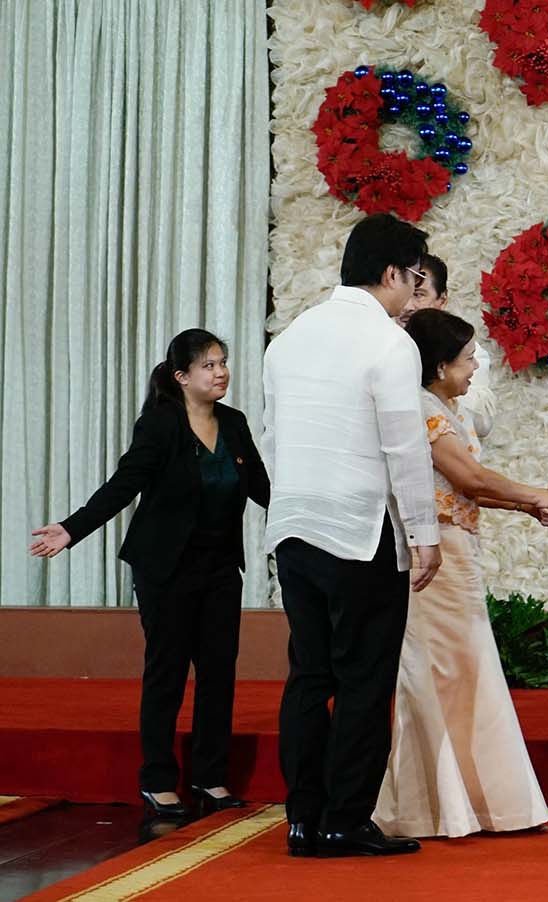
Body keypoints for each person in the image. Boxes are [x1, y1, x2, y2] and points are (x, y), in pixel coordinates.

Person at [30, 329, 268, 820]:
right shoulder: (161, 425)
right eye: (208, 365)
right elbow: (125, 484)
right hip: (167, 567)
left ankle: (210, 775)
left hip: (221, 566)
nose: (221, 372)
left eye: (223, 362)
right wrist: (72, 529)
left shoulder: (236, 424)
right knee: (168, 670)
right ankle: (158, 780)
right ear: (181, 377)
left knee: (219, 673)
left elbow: (265, 489)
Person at [263, 213, 442, 858]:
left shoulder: (287, 339)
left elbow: (272, 439)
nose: (412, 292)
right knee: (365, 680)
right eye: (414, 278)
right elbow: (405, 448)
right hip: (360, 532)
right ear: (393, 273)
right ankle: (345, 818)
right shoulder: (390, 344)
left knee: (310, 676)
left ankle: (302, 819)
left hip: (293, 527)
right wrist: (424, 534)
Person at [373, 309, 548, 839]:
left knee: (466, 673)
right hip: (437, 560)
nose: (476, 367)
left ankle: (468, 804)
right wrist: (539, 497)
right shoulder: (424, 409)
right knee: (440, 675)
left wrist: (525, 507)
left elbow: (469, 489)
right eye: (468, 358)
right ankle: (436, 806)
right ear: (438, 365)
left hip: (457, 550)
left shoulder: (446, 406)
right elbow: (470, 478)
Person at [396, 253, 497, 440]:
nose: (408, 306)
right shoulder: (385, 344)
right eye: (405, 294)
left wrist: (436, 382)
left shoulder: (466, 350)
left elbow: (483, 423)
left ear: (442, 301)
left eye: (419, 295)